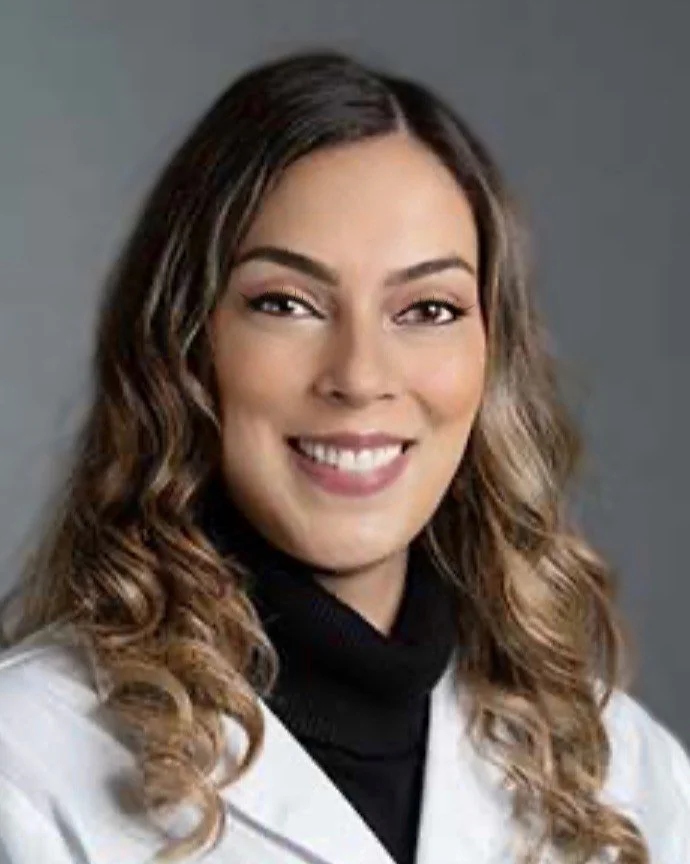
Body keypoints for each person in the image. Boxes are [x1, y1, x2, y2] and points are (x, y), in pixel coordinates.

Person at [0, 49, 687, 864]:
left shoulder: (629, 778)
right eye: (285, 304)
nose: (360, 376)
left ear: (488, 359)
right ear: (183, 346)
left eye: (428, 308)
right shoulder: (27, 771)